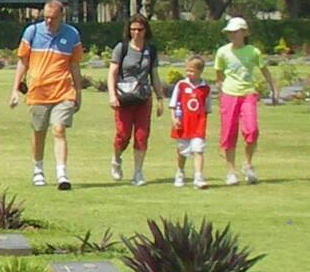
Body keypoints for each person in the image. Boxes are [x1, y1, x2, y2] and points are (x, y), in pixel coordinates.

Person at [9, 0, 84, 189]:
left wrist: (78, 92)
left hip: (63, 91)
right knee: (39, 131)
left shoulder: (72, 35)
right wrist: (15, 90)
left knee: (59, 129)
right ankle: (38, 169)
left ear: (61, 17)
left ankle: (62, 174)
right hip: (38, 92)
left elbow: (74, 65)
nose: (49, 21)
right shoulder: (32, 32)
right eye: (46, 17)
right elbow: (22, 62)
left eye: (53, 18)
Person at [213, 16, 278, 185]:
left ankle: (248, 164)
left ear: (244, 33)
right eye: (230, 32)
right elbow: (219, 75)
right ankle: (230, 171)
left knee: (252, 130)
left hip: (248, 93)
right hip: (229, 94)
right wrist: (222, 91)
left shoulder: (253, 52)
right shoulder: (222, 52)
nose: (232, 35)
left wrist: (273, 88)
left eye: (236, 32)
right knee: (228, 133)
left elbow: (264, 70)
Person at [106, 15, 162, 186]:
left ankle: (138, 171)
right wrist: (112, 95)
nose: (136, 33)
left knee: (142, 135)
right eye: (133, 30)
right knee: (123, 134)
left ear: (146, 31)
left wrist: (160, 97)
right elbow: (112, 72)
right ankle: (116, 159)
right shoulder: (121, 48)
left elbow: (154, 75)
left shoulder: (150, 50)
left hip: (143, 97)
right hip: (124, 96)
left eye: (140, 29)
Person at [169, 55, 211, 189]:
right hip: (183, 124)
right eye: (187, 70)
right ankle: (180, 172)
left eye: (192, 71)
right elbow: (173, 104)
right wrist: (174, 119)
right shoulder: (181, 85)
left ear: (200, 71)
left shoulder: (205, 88)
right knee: (182, 151)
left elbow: (206, 108)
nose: (189, 73)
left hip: (198, 125)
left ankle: (198, 177)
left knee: (198, 150)